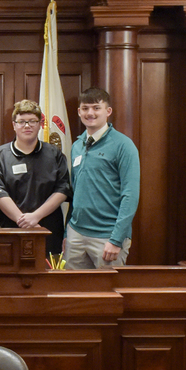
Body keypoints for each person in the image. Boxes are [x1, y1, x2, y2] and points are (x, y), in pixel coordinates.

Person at [64, 87, 140, 269]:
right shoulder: (76, 146)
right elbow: (74, 193)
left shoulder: (124, 146)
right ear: (79, 112)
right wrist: (67, 233)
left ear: (108, 111)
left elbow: (131, 195)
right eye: (85, 108)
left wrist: (116, 239)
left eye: (96, 108)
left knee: (107, 296)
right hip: (76, 235)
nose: (90, 113)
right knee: (72, 294)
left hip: (107, 237)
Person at [0, 100, 72, 254]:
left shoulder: (54, 154)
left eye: (32, 121)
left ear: (40, 124)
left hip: (47, 230)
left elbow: (62, 189)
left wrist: (35, 217)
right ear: (14, 125)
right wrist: (24, 221)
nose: (27, 126)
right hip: (11, 230)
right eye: (22, 122)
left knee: (47, 277)